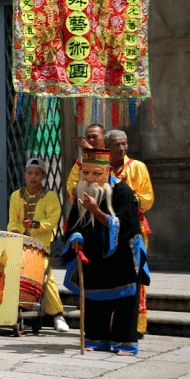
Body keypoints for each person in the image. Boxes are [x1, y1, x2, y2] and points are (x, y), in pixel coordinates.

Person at [62, 148, 150, 355]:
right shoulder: (83, 190)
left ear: (109, 170)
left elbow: (124, 225)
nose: (91, 178)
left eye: (97, 173)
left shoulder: (123, 191)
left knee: (124, 302)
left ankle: (125, 343)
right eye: (86, 172)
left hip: (123, 255)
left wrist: (96, 211)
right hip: (94, 253)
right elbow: (74, 223)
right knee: (95, 299)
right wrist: (75, 238)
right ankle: (95, 339)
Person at [7, 158, 69, 332]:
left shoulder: (50, 197)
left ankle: (57, 315)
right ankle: (14, 307)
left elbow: (52, 221)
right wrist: (19, 231)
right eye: (29, 173)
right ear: (25, 175)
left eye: (37, 173)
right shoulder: (15, 196)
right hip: (20, 245)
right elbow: (12, 222)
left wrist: (34, 225)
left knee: (45, 276)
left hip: (41, 247)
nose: (33, 177)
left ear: (42, 176)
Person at [107, 129, 154, 333]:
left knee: (134, 275)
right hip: (107, 229)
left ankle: (135, 325)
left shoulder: (138, 167)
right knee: (108, 277)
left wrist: (125, 199)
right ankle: (108, 324)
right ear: (107, 147)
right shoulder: (102, 169)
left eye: (124, 144)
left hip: (134, 230)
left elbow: (147, 198)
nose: (121, 148)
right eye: (117, 144)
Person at [66, 124, 106, 201]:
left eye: (94, 137)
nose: (91, 140)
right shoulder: (81, 160)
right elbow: (71, 184)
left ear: (104, 137)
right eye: (88, 137)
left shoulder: (110, 155)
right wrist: (75, 189)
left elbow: (102, 167)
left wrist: (89, 149)